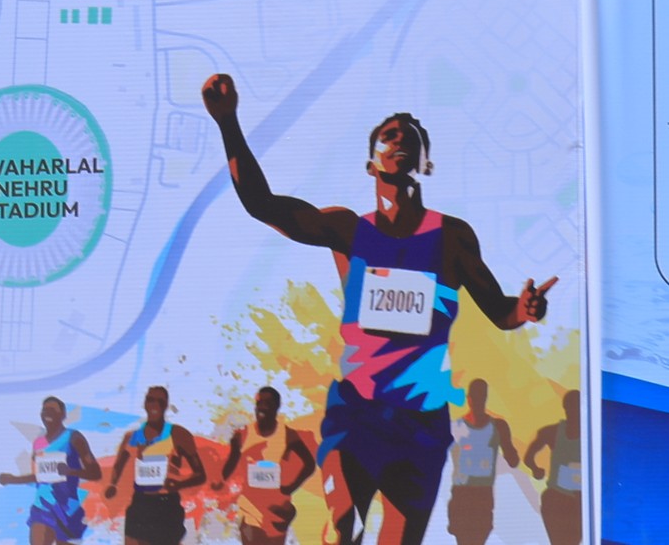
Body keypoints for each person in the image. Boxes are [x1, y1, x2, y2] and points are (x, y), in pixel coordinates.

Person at [204, 78, 555, 544]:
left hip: (420, 421)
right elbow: (262, 204)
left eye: (411, 138)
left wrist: (525, 309)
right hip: (358, 411)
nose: (400, 140)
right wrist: (227, 122)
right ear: (371, 163)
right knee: (342, 527)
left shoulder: (452, 238)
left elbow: (499, 311)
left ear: (426, 163)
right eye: (389, 136)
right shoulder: (348, 230)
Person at [219, 386, 317, 545]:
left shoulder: (287, 435)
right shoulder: (242, 435)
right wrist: (219, 484)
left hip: (277, 512)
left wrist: (290, 487)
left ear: (277, 407)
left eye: (268, 403)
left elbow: (309, 464)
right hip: (250, 510)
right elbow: (229, 465)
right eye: (259, 403)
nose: (262, 407)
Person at [0, 394, 100, 544]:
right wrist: (12, 479)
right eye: (44, 410)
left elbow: (95, 473)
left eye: (52, 410)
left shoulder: (74, 438)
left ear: (63, 415)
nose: (47, 414)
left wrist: (70, 471)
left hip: (68, 509)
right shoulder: (38, 443)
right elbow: (39, 476)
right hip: (43, 507)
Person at [111, 387, 204, 545]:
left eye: (160, 401)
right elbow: (118, 466)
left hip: (166, 505)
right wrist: (112, 484)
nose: (155, 405)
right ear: (145, 404)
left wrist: (179, 484)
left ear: (166, 405)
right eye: (151, 400)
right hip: (140, 503)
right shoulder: (131, 437)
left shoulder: (178, 435)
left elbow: (200, 475)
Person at [442, 380, 517, 545]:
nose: (477, 401)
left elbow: (513, 460)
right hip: (463, 494)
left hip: (481, 494)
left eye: (480, 397)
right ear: (470, 399)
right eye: (477, 397)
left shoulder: (498, 427)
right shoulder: (455, 427)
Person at [526, 390, 584, 545]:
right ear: (565, 407)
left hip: (579, 502)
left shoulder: (592, 435)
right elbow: (529, 456)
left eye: (577, 407)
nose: (574, 411)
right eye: (571, 407)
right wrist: (535, 469)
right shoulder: (552, 432)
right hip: (556, 499)